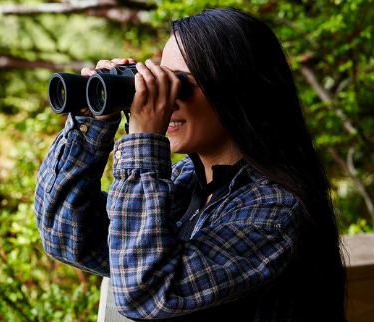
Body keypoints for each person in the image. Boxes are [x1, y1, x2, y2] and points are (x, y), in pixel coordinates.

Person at [34, 7, 347, 321]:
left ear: (238, 91)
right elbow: (68, 237)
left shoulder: (276, 209)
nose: (166, 99)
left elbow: (147, 293)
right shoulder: (186, 180)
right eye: (161, 81)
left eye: (179, 85)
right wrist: (93, 122)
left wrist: (143, 141)